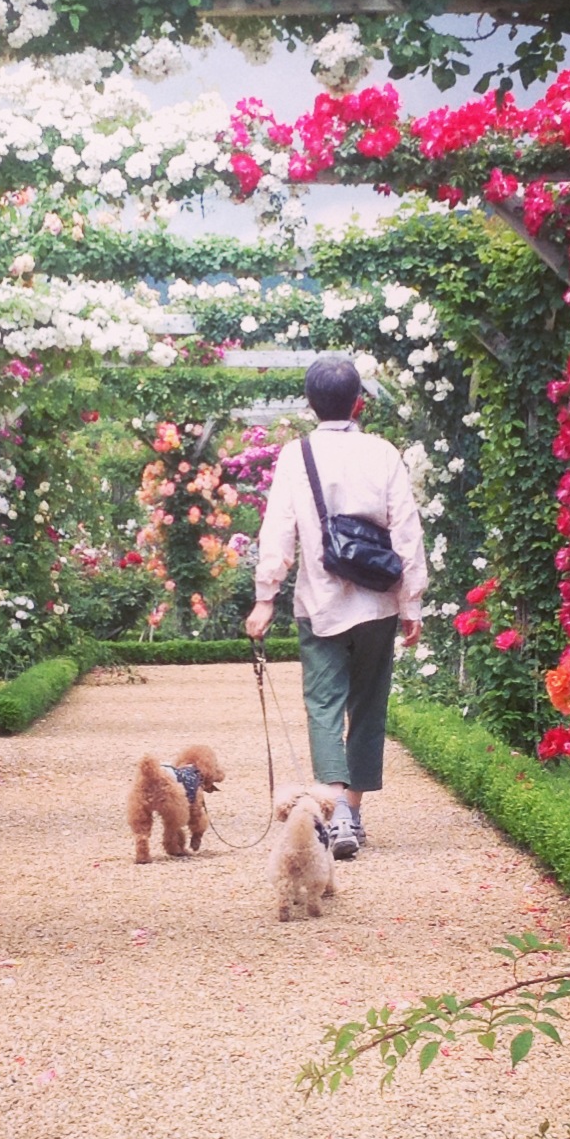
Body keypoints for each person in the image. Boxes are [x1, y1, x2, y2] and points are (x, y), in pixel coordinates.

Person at [245, 353, 427, 859]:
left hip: (320, 601)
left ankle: (336, 813)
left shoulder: (295, 455)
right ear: (359, 403)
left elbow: (278, 530)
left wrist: (265, 597)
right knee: (368, 704)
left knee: (323, 704)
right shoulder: (383, 453)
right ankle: (352, 811)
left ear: (310, 405)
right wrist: (411, 603)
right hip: (378, 601)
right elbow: (406, 530)